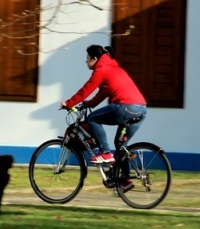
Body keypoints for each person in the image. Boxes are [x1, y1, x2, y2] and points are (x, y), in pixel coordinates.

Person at [61, 45, 147, 189]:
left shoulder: (101, 69)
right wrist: (88, 104)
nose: (85, 61)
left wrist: (68, 103)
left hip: (126, 107)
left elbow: (86, 89)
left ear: (95, 59)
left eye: (87, 58)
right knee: (120, 145)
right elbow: (103, 92)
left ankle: (105, 152)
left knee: (93, 118)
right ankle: (124, 180)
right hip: (141, 110)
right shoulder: (112, 68)